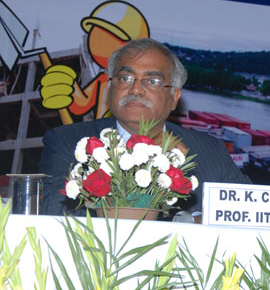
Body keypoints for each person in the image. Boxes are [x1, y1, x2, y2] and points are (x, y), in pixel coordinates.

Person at [39, 38, 250, 216]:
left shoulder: (210, 151)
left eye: (153, 81)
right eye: (125, 78)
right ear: (110, 88)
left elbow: (250, 216)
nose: (136, 89)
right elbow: (57, 217)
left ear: (174, 97)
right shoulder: (66, 141)